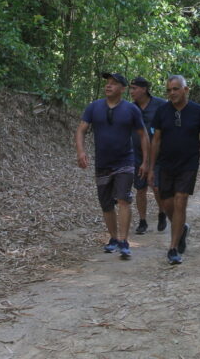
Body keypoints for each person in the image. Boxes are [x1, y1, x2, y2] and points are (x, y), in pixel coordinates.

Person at [75, 73, 149, 259]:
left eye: (114, 84)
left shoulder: (131, 110)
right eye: (107, 83)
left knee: (123, 199)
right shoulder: (93, 107)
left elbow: (143, 135)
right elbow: (81, 130)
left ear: (123, 89)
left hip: (125, 161)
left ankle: (124, 241)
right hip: (102, 163)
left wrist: (146, 161)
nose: (108, 86)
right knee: (106, 203)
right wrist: (81, 151)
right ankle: (114, 238)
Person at [149, 75, 200, 265]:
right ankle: (181, 228)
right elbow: (156, 140)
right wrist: (151, 168)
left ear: (186, 89)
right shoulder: (162, 111)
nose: (172, 93)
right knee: (167, 205)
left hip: (188, 164)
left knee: (180, 201)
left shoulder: (198, 111)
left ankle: (173, 248)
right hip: (166, 164)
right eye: (169, 90)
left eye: (175, 89)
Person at [129, 76, 168, 235]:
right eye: (130, 88)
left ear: (144, 89)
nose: (131, 92)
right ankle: (143, 221)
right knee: (140, 188)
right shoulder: (131, 108)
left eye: (134, 88)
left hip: (158, 154)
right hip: (136, 154)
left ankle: (162, 212)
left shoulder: (161, 105)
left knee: (157, 187)